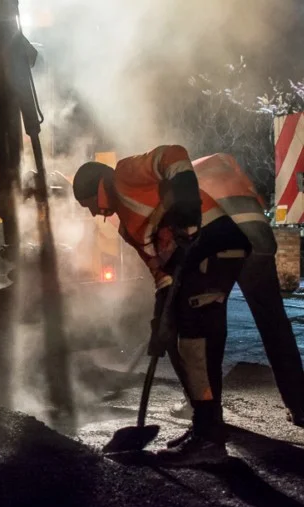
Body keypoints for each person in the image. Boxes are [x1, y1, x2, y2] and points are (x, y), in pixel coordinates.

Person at [73, 145, 252, 466]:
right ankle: (206, 424)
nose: (92, 213)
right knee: (176, 341)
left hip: (215, 241)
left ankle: (210, 438)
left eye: (89, 204)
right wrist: (160, 322)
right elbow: (162, 275)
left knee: (195, 341)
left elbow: (173, 154)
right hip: (191, 262)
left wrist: (185, 206)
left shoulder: (126, 172)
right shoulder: (129, 230)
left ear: (99, 186)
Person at [168, 153, 304, 425]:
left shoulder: (180, 180)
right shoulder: (224, 165)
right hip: (260, 238)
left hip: (226, 242)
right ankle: (298, 408)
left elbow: (187, 228)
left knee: (208, 326)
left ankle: (206, 410)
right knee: (274, 324)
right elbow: (256, 201)